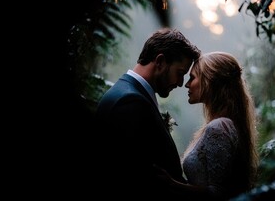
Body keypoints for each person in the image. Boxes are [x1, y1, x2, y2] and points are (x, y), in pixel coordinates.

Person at [95, 28, 201, 199]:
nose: (181, 83)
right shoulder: (130, 103)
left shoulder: (129, 94)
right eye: (180, 73)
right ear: (160, 62)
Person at [156, 51, 259, 200]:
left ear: (210, 81)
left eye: (192, 78)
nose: (186, 84)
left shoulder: (219, 127)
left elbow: (219, 194)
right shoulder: (224, 123)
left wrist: (171, 184)